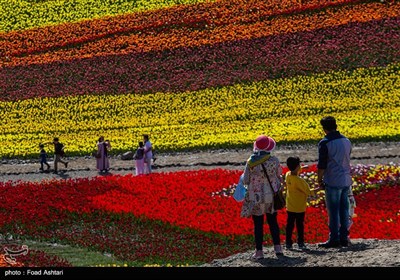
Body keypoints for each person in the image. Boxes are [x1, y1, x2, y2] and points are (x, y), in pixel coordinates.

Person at [240, 135, 284, 259]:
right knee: (273, 222)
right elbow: (279, 175)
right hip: (271, 195)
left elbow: (246, 180)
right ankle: (278, 248)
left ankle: (259, 252)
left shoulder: (251, 162)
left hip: (256, 196)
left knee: (258, 224)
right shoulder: (274, 160)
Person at [317, 116, 352, 248]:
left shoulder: (325, 143)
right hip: (346, 179)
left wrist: (319, 179)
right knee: (344, 209)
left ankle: (334, 239)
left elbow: (322, 165)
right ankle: (344, 237)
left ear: (324, 128)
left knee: (333, 211)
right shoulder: (346, 140)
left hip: (333, 180)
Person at [284, 156, 316, 250]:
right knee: (299, 225)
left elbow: (294, 171)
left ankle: (288, 243)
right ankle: (300, 242)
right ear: (297, 167)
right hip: (299, 207)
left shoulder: (288, 175)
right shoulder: (299, 181)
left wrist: (303, 167)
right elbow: (309, 192)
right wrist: (320, 188)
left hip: (290, 205)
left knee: (289, 225)